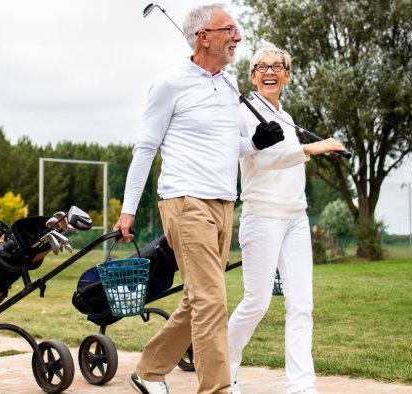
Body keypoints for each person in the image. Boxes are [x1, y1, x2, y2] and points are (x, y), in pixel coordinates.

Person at [113, 4, 285, 394]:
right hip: (185, 201)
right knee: (211, 300)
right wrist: (127, 210)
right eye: (229, 30)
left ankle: (149, 370)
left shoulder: (226, 85)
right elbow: (145, 148)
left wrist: (255, 143)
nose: (238, 37)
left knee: (198, 299)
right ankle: (217, 389)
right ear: (203, 37)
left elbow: (227, 146)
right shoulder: (170, 84)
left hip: (224, 203)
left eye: (237, 30)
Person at [226, 44, 345, 394]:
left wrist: (308, 148)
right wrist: (313, 148)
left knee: (301, 305)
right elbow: (264, 160)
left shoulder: (288, 117)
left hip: (296, 217)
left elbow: (288, 159)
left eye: (278, 66)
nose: (269, 71)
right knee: (256, 303)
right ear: (251, 76)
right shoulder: (245, 113)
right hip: (262, 216)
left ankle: (301, 386)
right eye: (261, 66)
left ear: (287, 76)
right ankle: (223, 372)